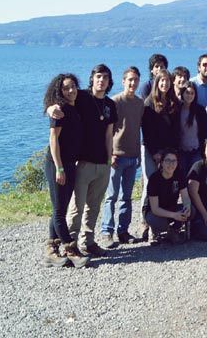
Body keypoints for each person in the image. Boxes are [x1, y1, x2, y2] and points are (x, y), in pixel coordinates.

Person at [65, 64, 117, 257]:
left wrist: (109, 158)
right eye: (98, 77)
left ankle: (88, 241)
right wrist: (52, 106)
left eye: (105, 77)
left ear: (109, 81)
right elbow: (63, 97)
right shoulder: (82, 97)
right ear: (92, 79)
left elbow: (109, 134)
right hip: (83, 162)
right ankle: (70, 244)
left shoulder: (110, 105)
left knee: (94, 206)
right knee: (76, 206)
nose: (101, 80)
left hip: (102, 164)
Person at [42, 73, 89, 268]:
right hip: (57, 164)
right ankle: (71, 250)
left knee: (59, 208)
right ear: (59, 91)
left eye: (73, 87)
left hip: (70, 164)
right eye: (66, 88)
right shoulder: (59, 110)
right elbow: (53, 140)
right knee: (60, 211)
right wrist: (59, 167)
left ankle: (52, 250)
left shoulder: (74, 107)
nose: (71, 91)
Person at [100, 66, 144, 247]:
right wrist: (109, 153)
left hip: (132, 156)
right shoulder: (115, 101)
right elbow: (107, 130)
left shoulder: (140, 103)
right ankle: (106, 231)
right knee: (111, 196)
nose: (133, 83)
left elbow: (138, 128)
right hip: (116, 156)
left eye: (136, 80)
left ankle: (123, 231)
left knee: (127, 196)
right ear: (123, 81)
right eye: (130, 80)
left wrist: (139, 153)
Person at [141, 69, 180, 221]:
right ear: (156, 83)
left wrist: (173, 152)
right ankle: (146, 220)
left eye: (167, 81)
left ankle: (165, 218)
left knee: (169, 184)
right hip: (153, 151)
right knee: (151, 184)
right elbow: (147, 131)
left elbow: (176, 131)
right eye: (162, 81)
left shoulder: (173, 103)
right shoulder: (149, 103)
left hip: (169, 152)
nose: (165, 84)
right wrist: (155, 152)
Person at [143, 148, 191, 244]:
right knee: (159, 222)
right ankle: (157, 231)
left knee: (191, 210)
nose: (171, 164)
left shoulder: (179, 174)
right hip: (154, 212)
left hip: (171, 208)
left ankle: (173, 230)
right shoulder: (154, 179)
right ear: (162, 162)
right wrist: (174, 215)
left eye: (174, 161)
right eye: (168, 160)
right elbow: (155, 208)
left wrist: (187, 208)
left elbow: (185, 197)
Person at [178, 81, 207, 176]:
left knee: (195, 177)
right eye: (187, 92)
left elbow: (206, 131)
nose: (189, 96)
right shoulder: (177, 109)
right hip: (181, 151)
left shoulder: (200, 110)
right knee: (182, 177)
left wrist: (204, 150)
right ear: (182, 93)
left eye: (192, 93)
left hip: (196, 150)